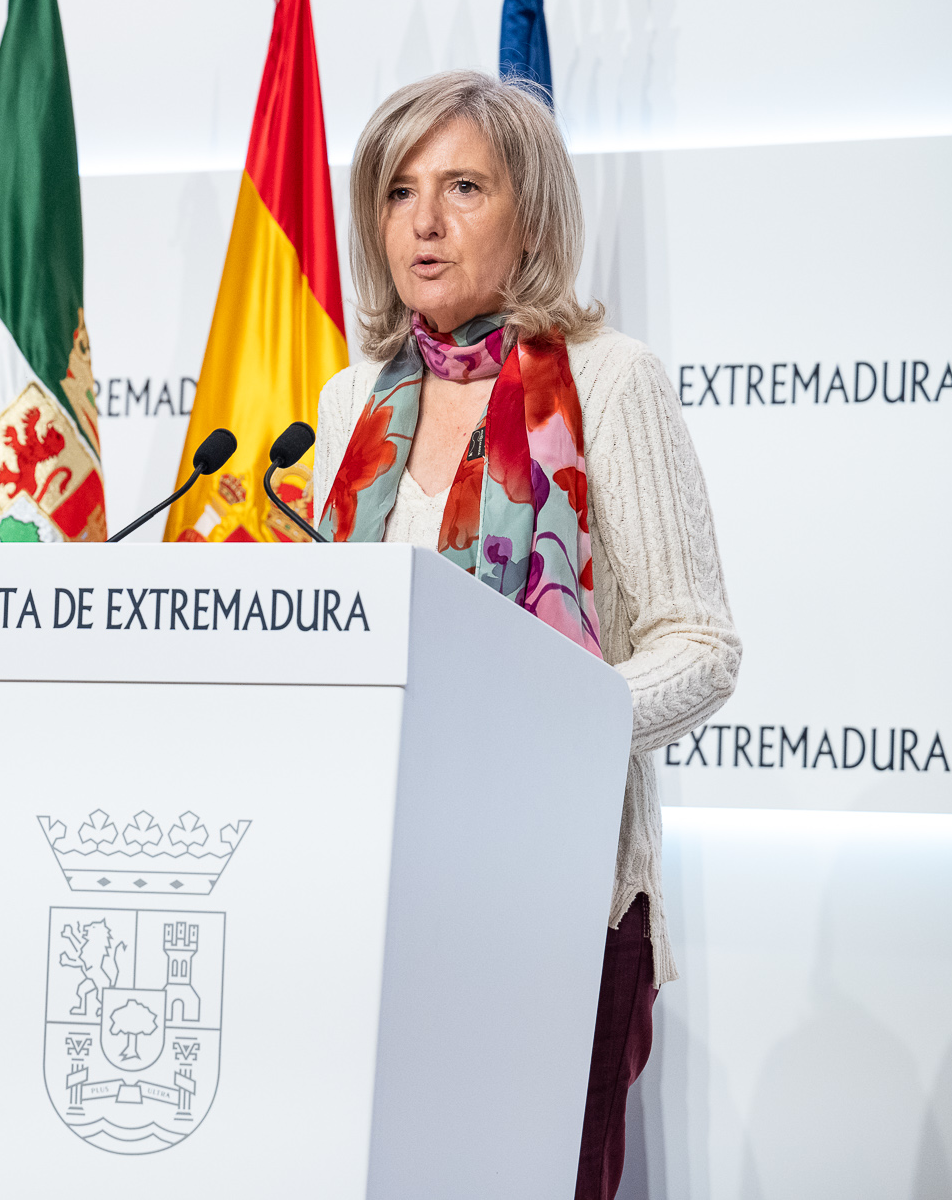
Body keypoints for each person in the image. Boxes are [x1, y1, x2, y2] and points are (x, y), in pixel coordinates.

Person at [309, 70, 740, 1200]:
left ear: (533, 215)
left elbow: (700, 643)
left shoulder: (608, 381)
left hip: (556, 897)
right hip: (371, 891)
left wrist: (539, 725)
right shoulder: (351, 402)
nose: (425, 223)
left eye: (462, 187)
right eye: (399, 192)